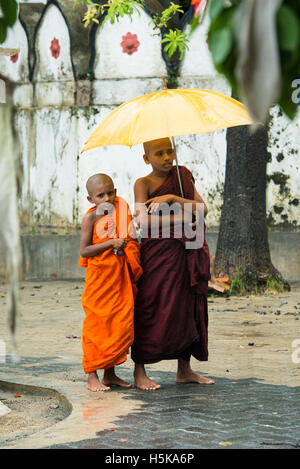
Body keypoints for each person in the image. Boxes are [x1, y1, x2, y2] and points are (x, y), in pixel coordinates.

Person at [131, 138, 214, 390]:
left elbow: (203, 209)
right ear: (147, 158)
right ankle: (139, 371)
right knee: (150, 305)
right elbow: (143, 223)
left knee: (187, 307)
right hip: (158, 254)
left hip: (187, 251)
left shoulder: (182, 175)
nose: (167, 157)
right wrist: (178, 218)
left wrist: (172, 198)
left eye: (170, 151)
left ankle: (184, 369)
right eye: (159, 153)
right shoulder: (142, 184)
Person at [79, 173, 142, 391]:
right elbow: (84, 250)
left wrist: (126, 243)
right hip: (100, 280)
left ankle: (110, 374)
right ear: (91, 199)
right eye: (100, 195)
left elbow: (130, 237)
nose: (107, 198)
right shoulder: (90, 218)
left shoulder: (121, 207)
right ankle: (92, 377)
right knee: (97, 326)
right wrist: (110, 244)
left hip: (119, 276)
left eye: (110, 192)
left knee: (118, 325)